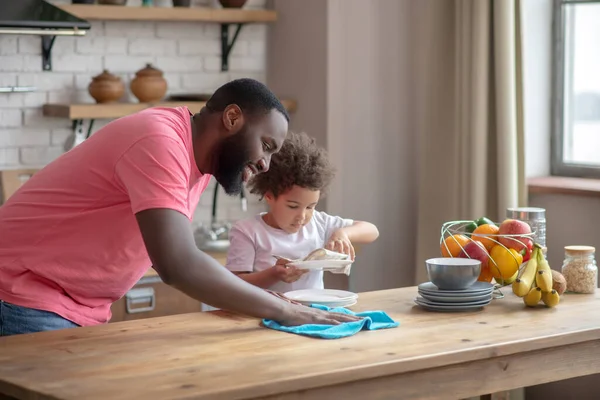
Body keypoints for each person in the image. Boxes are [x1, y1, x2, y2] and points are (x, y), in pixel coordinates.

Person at [0, 78, 361, 336]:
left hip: (72, 306)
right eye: (266, 145)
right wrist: (284, 309)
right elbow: (178, 264)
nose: (266, 163)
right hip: (22, 297)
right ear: (232, 118)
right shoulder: (159, 141)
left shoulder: (196, 160)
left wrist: (275, 301)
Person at [225, 131, 379, 292]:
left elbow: (372, 230)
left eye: (311, 206)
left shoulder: (319, 224)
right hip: (264, 314)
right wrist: (274, 275)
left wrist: (343, 234)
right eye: (293, 206)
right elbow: (234, 284)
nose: (302, 216)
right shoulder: (248, 231)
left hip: (311, 312)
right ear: (269, 196)